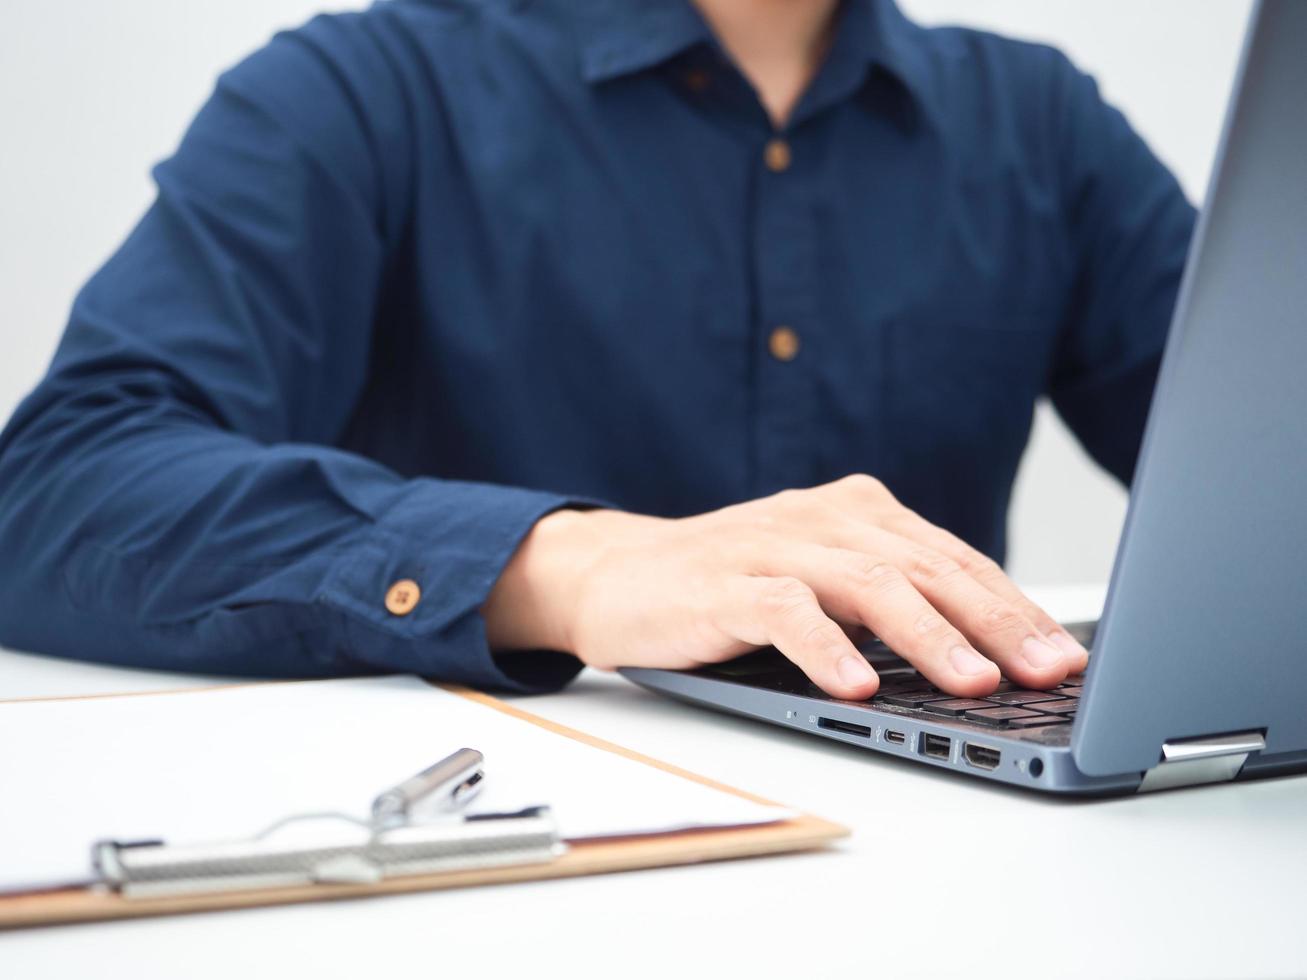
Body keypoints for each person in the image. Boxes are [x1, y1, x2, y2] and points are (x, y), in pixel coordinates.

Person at [0, 0, 1193, 701]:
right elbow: (52, 494)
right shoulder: (361, 88)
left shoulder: (1040, 124)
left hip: (974, 859)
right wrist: (567, 568)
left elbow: (1255, 470)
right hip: (501, 868)